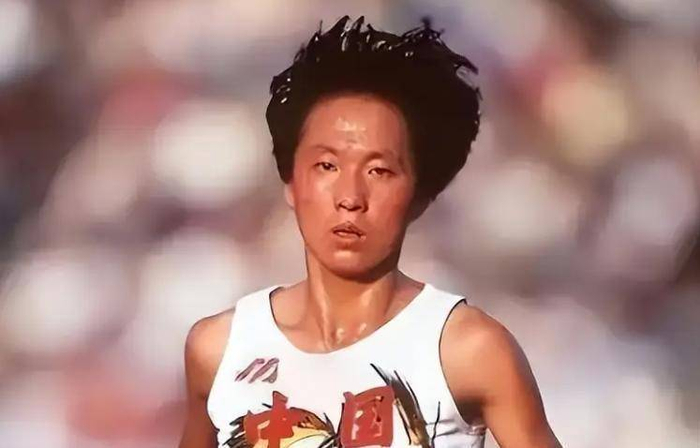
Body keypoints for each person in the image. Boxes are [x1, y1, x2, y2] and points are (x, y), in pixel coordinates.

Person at [179, 16, 562, 448]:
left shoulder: (467, 349)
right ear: (291, 181)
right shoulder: (220, 349)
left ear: (421, 195)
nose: (350, 197)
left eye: (379, 171)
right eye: (327, 166)